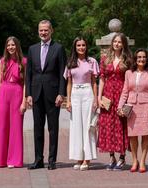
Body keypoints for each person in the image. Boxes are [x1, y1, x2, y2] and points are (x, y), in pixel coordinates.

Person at [26, 20, 67, 170]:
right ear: (38, 31)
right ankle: (38, 160)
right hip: (36, 94)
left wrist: (61, 93)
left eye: (46, 30)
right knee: (37, 128)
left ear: (51, 31)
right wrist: (28, 94)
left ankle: (52, 160)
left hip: (53, 94)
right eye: (41, 30)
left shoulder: (59, 48)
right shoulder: (32, 49)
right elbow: (28, 74)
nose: (43, 33)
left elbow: (63, 72)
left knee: (53, 128)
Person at [117, 49, 148, 173]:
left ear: (146, 59)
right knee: (133, 135)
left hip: (146, 107)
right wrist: (120, 107)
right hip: (132, 108)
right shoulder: (129, 73)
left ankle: (143, 161)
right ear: (135, 59)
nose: (141, 59)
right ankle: (134, 160)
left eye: (144, 57)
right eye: (139, 57)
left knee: (145, 134)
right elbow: (125, 91)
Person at [97, 33, 132, 171]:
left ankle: (122, 157)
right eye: (115, 41)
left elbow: (129, 80)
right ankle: (111, 157)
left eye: (119, 42)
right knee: (108, 125)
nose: (116, 44)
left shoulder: (128, 60)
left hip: (121, 94)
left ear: (123, 44)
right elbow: (102, 79)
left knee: (121, 125)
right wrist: (99, 98)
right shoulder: (105, 59)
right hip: (107, 96)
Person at [64, 37, 99, 171]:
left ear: (86, 46)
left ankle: (87, 158)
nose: (81, 47)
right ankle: (79, 157)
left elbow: (94, 83)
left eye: (83, 45)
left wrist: (96, 100)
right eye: (78, 45)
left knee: (87, 126)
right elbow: (69, 83)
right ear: (75, 47)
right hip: (75, 94)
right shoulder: (70, 62)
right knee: (76, 126)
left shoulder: (92, 61)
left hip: (87, 93)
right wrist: (68, 101)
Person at [0, 36, 27, 168]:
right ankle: (2, 160)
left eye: (13, 45)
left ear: (17, 46)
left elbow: (25, 84)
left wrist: (24, 102)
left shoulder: (24, 61)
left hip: (17, 93)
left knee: (16, 127)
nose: (10, 47)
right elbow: (0, 81)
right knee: (4, 126)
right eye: (8, 45)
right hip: (4, 92)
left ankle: (15, 160)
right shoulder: (3, 61)